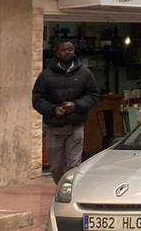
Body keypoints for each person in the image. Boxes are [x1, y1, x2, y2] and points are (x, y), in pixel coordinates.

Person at [32, 41, 99, 184]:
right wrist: (53, 109)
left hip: (76, 125)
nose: (67, 52)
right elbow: (37, 99)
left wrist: (76, 105)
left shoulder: (85, 73)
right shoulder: (46, 75)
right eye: (64, 49)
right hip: (54, 127)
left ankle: (69, 191)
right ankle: (61, 187)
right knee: (56, 167)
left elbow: (93, 95)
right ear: (57, 52)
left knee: (73, 165)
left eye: (70, 49)